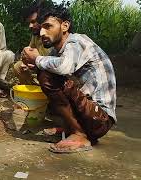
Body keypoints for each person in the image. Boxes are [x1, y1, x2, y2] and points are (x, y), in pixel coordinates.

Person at [21, 4, 116, 153]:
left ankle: (80, 134)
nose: (42, 33)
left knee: (47, 76)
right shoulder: (57, 49)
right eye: (41, 28)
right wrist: (37, 65)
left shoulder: (75, 42)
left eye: (48, 26)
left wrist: (37, 59)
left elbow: (64, 67)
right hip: (89, 113)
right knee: (45, 73)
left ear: (65, 26)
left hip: (100, 119)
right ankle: (71, 128)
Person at [13, 0, 53, 85]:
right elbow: (29, 52)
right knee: (18, 66)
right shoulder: (35, 35)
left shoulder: (53, 35)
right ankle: (33, 90)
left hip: (53, 69)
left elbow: (58, 63)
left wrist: (37, 64)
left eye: (33, 22)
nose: (30, 26)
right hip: (40, 65)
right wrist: (25, 62)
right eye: (29, 23)